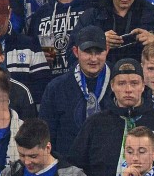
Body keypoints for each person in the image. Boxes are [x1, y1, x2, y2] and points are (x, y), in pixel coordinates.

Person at [39, 24, 110, 154]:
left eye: (99, 52)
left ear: (107, 50)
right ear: (76, 52)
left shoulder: (120, 83)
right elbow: (46, 136)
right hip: (68, 167)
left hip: (109, 166)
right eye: (88, 52)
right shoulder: (56, 88)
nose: (93, 59)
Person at [28, 0, 94, 77]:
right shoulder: (40, 14)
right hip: (48, 84)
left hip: (84, 80)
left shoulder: (94, 7)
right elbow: (30, 51)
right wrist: (38, 57)